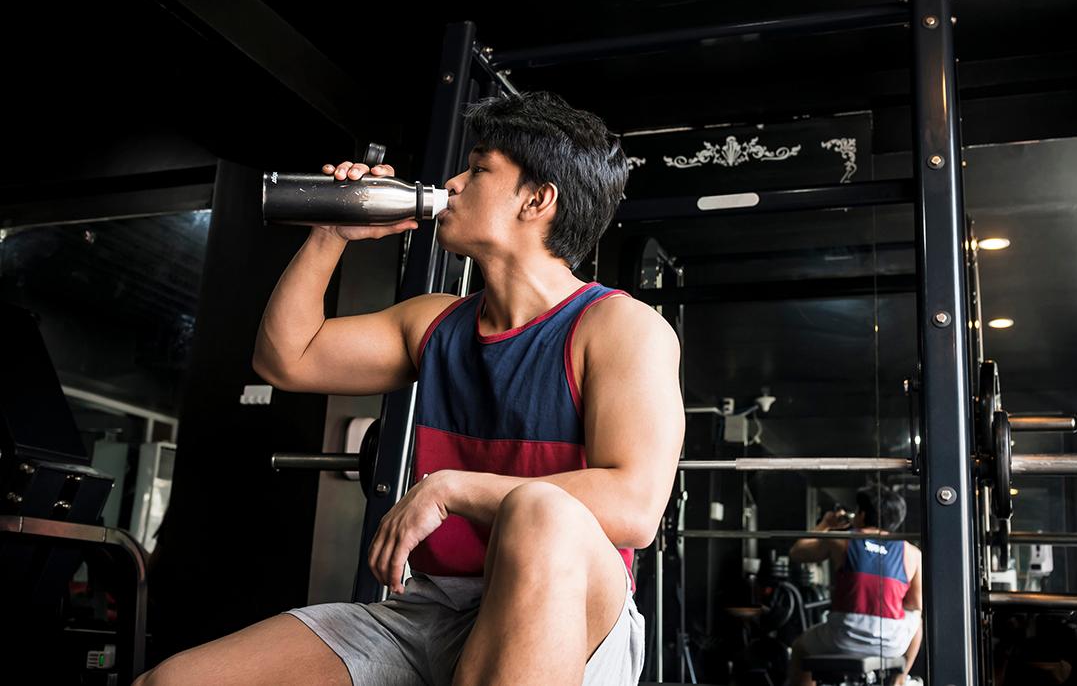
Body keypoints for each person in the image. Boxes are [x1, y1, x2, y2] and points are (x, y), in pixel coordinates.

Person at [134, 90, 685, 686]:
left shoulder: (619, 327)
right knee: (172, 682)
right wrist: (331, 234)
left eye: (478, 169)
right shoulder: (434, 322)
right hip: (430, 612)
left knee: (542, 511)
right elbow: (285, 359)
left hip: (573, 610)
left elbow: (635, 507)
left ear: (537, 200)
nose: (452, 183)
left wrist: (450, 489)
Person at [786, 484, 923, 686]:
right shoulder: (912, 553)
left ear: (862, 514)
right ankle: (900, 679)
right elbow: (914, 604)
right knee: (917, 618)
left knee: (799, 648)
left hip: (844, 637)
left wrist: (825, 524)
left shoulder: (841, 540)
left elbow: (797, 552)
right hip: (892, 644)